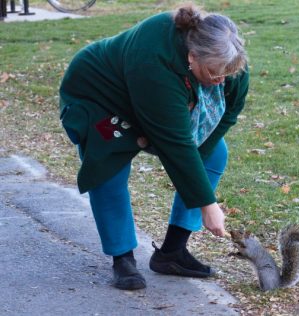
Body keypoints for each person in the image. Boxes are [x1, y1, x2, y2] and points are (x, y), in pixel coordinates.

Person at [58, 3, 249, 291]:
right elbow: (175, 144)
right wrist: (208, 205)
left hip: (153, 97)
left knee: (214, 153)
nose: (221, 79)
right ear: (191, 56)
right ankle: (122, 259)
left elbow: (228, 114)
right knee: (109, 168)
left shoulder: (227, 60)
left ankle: (172, 253)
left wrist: (200, 157)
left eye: (228, 73)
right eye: (214, 73)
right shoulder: (154, 60)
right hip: (101, 95)